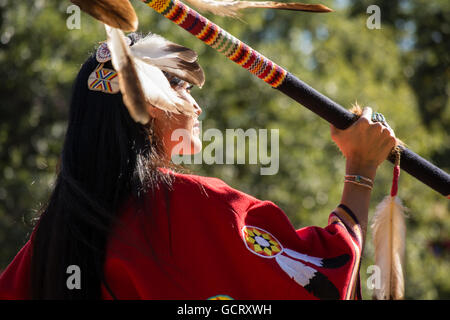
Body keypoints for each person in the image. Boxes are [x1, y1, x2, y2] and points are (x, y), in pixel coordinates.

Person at [0, 32, 396, 300]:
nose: (197, 107)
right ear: (154, 102)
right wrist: (360, 169)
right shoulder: (191, 206)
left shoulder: (54, 232)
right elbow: (318, 281)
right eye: (185, 88)